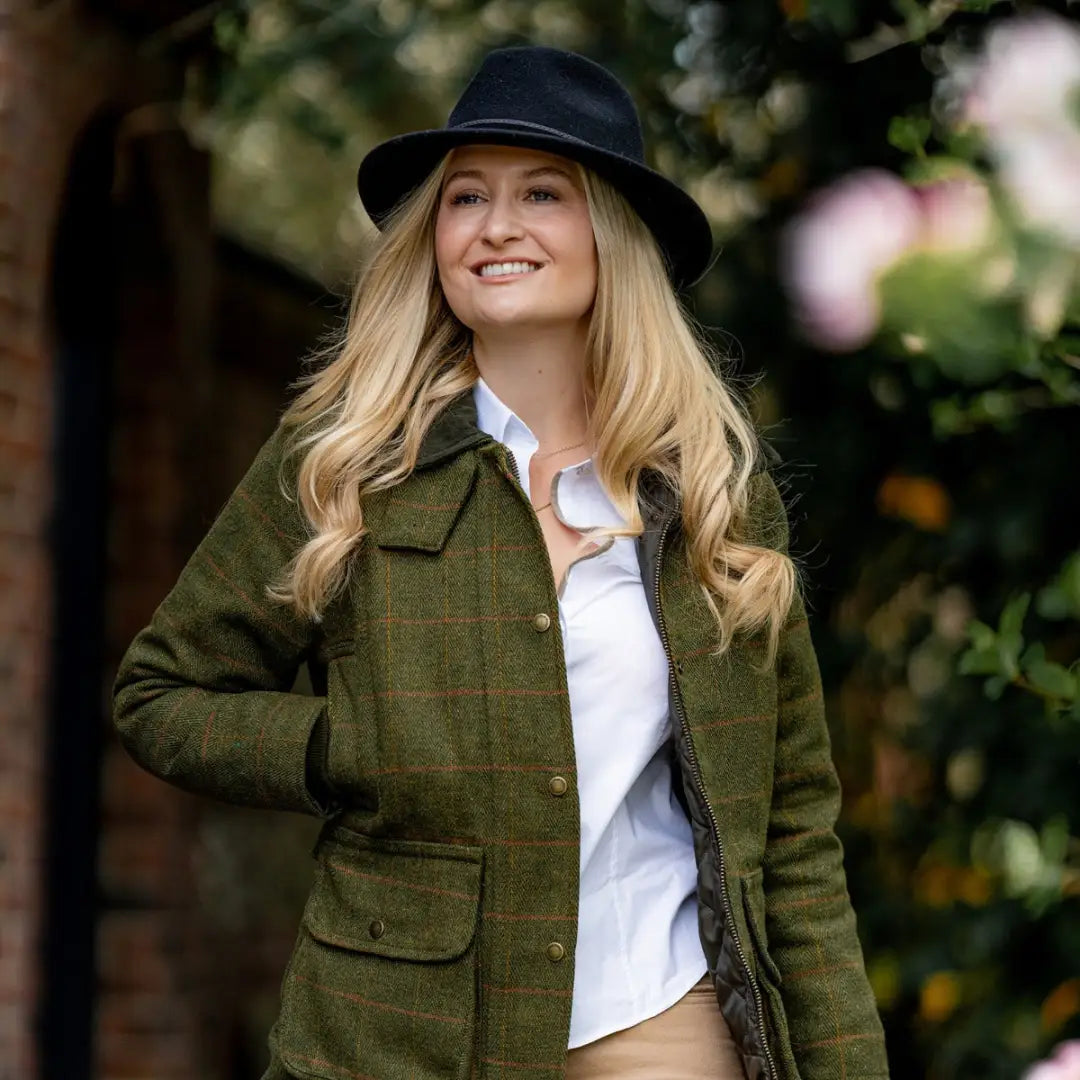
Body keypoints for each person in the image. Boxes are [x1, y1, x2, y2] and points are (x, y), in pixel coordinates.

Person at [113, 45, 889, 1080]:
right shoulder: (347, 461)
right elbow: (160, 693)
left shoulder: (708, 491)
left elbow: (792, 835)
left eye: (542, 194)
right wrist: (346, 744)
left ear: (610, 233)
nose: (495, 226)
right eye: (465, 196)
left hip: (664, 1022)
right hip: (396, 1036)